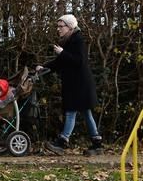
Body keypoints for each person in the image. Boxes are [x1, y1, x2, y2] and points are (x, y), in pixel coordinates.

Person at [36, 14, 103, 156]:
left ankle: (62, 142)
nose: (58, 29)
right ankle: (97, 143)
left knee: (71, 111)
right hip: (77, 84)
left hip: (80, 84)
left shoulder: (78, 40)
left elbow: (79, 61)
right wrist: (44, 67)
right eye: (58, 26)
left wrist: (62, 53)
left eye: (61, 26)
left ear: (70, 27)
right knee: (85, 112)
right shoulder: (68, 41)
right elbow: (60, 62)